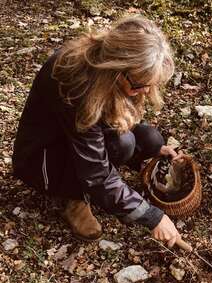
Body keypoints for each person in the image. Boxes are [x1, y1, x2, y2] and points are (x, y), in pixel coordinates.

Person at [12, 15, 182, 247]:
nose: (145, 92)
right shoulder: (75, 85)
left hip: (79, 135)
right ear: (117, 70)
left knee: (150, 140)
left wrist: (153, 148)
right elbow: (97, 174)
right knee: (124, 145)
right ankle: (75, 199)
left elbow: (107, 122)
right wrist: (152, 217)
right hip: (43, 159)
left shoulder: (107, 72)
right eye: (140, 85)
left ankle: (110, 186)